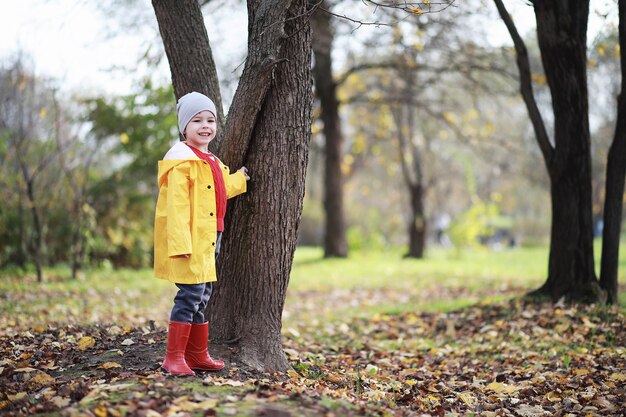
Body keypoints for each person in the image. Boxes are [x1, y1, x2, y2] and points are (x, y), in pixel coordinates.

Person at [153, 91, 250, 376]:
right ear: (184, 127)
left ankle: (197, 355)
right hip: (189, 242)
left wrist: (239, 180)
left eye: (210, 120)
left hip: (210, 238)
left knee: (202, 294)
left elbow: (219, 190)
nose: (205, 125)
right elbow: (177, 207)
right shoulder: (182, 162)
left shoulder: (210, 160)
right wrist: (181, 244)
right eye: (197, 121)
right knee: (189, 295)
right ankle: (173, 358)